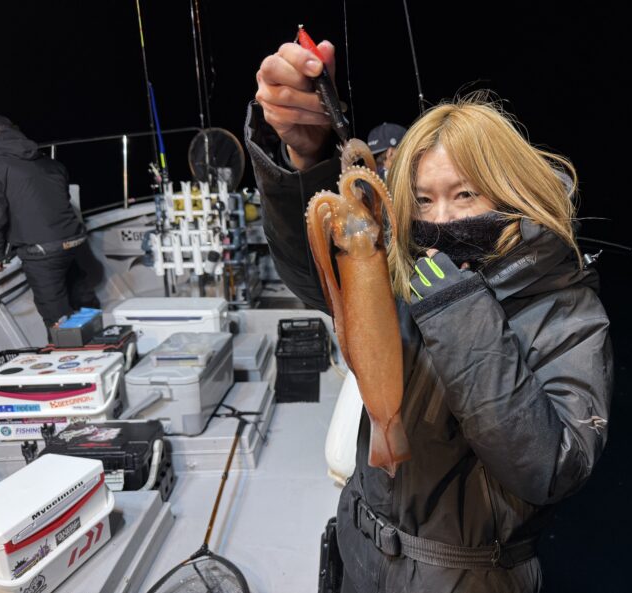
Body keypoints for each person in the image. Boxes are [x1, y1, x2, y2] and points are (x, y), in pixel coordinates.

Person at [248, 40, 613, 593]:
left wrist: (458, 309)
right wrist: (304, 155)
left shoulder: (564, 307)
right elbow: (317, 277)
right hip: (359, 552)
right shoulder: (404, 268)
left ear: (511, 192)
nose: (439, 219)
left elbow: (552, 468)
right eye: (421, 200)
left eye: (464, 194)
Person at [0, 114, 101, 332]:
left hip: (43, 250)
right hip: (73, 238)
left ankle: (69, 350)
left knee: (56, 316)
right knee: (80, 293)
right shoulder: (46, 160)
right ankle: (100, 334)